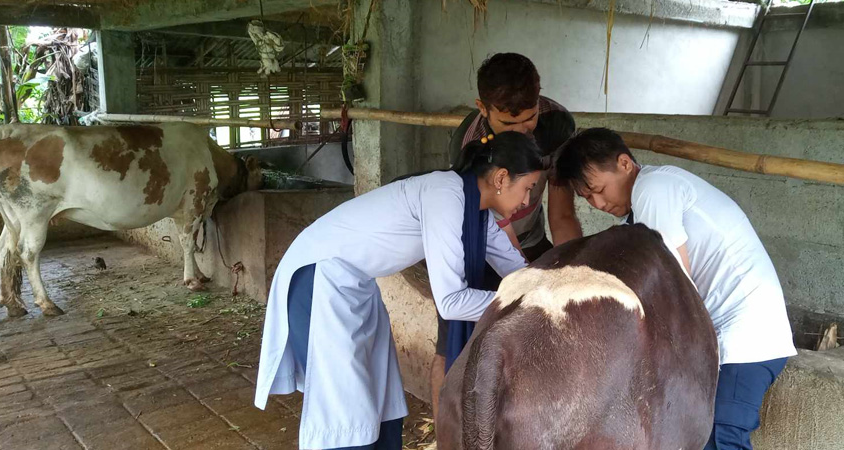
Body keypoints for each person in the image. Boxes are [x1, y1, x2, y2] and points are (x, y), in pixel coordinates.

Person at [255, 132, 544, 450]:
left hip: (355, 285)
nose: (526, 201)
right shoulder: (446, 194)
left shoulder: (476, 212)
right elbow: (451, 302)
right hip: (319, 279)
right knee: (345, 409)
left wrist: (548, 290)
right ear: (501, 178)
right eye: (528, 188)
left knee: (379, 395)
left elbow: (520, 273)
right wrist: (527, 303)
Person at [554, 127, 797, 450]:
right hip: (726, 340)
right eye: (587, 198)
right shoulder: (642, 211)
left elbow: (671, 285)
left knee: (721, 440)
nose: (598, 203)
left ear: (624, 163)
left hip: (744, 340)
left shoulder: (654, 188)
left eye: (599, 190)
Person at [431, 52, 582, 419]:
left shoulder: (557, 125)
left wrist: (572, 270)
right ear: (483, 108)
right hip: (478, 242)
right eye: (508, 124)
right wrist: (522, 278)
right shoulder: (469, 144)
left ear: (539, 100)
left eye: (529, 119)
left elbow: (562, 213)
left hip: (532, 237)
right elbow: (495, 224)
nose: (520, 132)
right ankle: (446, 431)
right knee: (452, 347)